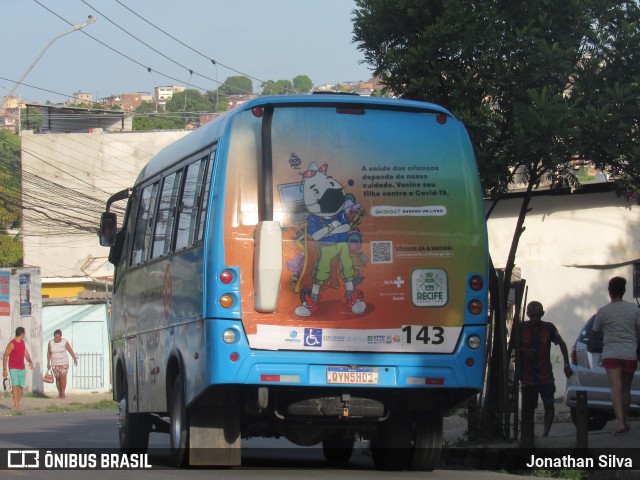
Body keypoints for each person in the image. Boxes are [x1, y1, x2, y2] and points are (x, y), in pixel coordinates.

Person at [508, 300, 573, 436]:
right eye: (532, 316)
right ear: (527, 314)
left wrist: (566, 364)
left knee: (549, 405)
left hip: (545, 375)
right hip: (527, 376)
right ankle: (528, 435)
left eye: (538, 315)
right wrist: (524, 351)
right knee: (528, 408)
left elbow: (561, 344)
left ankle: (545, 434)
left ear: (542, 314)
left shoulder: (548, 328)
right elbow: (512, 346)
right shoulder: (521, 328)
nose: (535, 318)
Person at [592, 276, 640, 436]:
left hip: (611, 353)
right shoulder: (634, 309)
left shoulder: (603, 311)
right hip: (629, 353)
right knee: (626, 389)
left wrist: (604, 336)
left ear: (609, 291)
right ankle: (624, 422)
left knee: (616, 389)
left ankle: (620, 424)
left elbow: (595, 332)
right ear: (624, 291)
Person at [2, 327, 34, 410]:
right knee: (15, 385)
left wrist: (30, 361)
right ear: (22, 334)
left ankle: (17, 403)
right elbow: (5, 356)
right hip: (13, 368)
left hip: (21, 368)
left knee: (20, 387)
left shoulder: (22, 343)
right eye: (24, 333)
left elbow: (25, 353)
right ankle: (16, 405)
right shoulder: (12, 344)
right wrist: (4, 369)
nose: (25, 335)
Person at [47, 329, 78, 399]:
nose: (57, 339)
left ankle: (63, 393)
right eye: (55, 337)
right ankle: (59, 393)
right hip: (55, 363)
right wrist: (48, 362)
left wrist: (74, 358)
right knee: (57, 378)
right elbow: (49, 353)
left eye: (58, 337)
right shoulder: (51, 343)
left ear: (61, 336)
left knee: (62, 377)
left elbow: (70, 350)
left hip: (64, 362)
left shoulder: (64, 342)